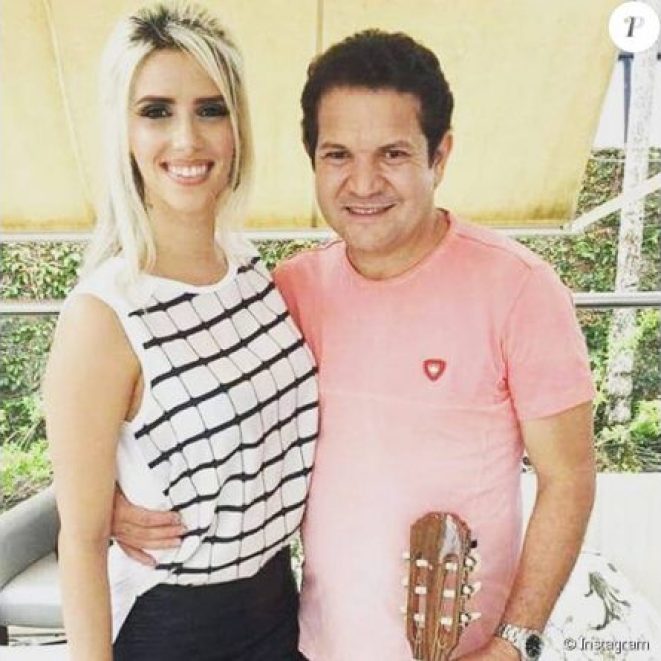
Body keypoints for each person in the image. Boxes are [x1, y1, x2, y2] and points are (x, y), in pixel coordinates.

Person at [113, 29, 596, 661]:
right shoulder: (289, 290)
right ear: (312, 160)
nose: (363, 184)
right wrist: (111, 503)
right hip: (310, 645)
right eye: (338, 154)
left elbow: (569, 477)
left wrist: (514, 642)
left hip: (465, 651)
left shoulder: (520, 289)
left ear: (440, 156)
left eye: (393, 154)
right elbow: (195, 409)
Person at [43, 3, 318, 660]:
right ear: (124, 132)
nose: (187, 139)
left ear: (237, 128)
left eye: (210, 109)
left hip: (279, 607)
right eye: (156, 111)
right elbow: (79, 541)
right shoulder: (103, 315)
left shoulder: (250, 269)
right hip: (172, 629)